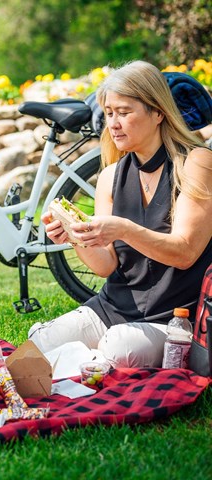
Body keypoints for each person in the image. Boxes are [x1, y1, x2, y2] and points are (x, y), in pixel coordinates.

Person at [29, 60, 212, 368]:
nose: (113, 123)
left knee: (118, 349)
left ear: (158, 113)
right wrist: (75, 237)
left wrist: (124, 229)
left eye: (125, 112)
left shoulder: (195, 163)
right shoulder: (110, 176)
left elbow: (185, 252)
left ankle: (83, 365)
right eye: (110, 112)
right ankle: (82, 364)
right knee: (39, 343)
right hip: (113, 307)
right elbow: (105, 265)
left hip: (173, 319)